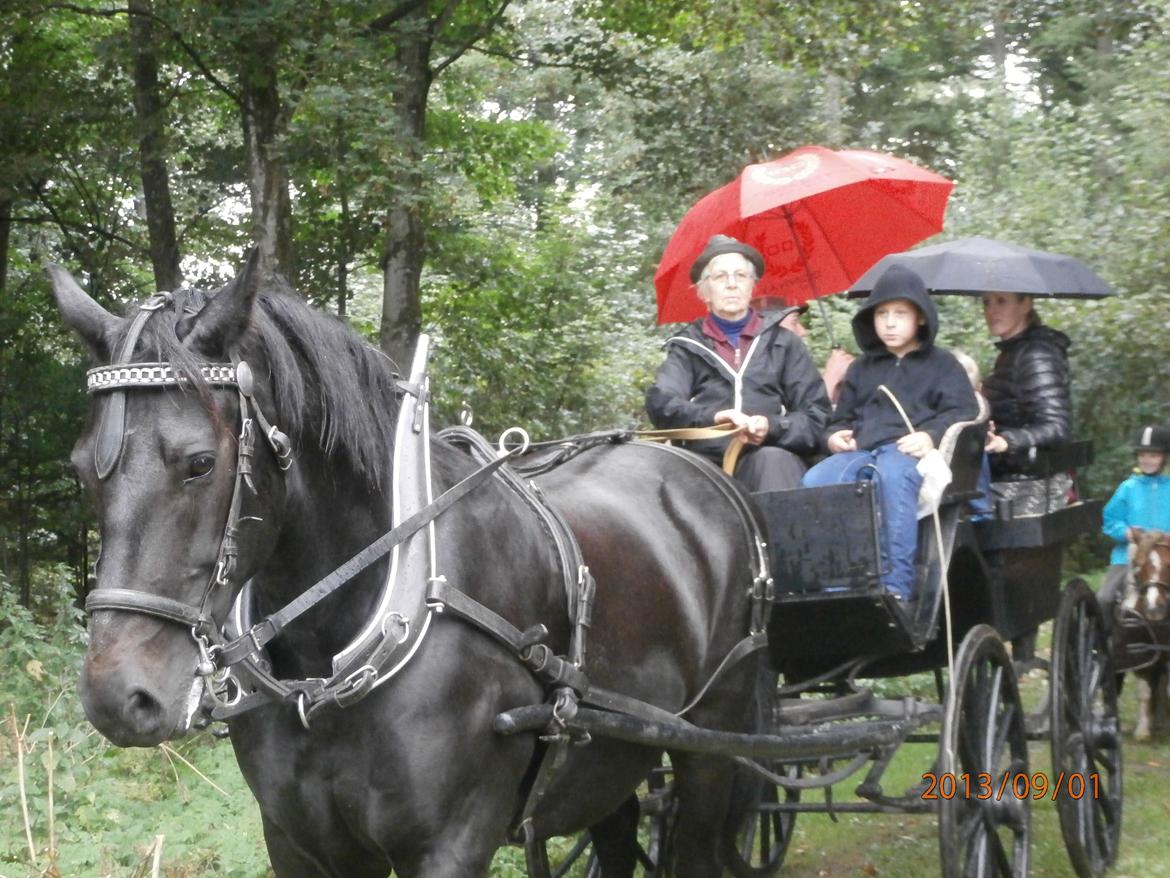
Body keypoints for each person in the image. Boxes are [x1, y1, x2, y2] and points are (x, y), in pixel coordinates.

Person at [801, 264, 978, 600]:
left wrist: (930, 436)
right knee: (816, 482)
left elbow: (964, 411)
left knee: (894, 478)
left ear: (921, 317)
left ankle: (894, 587)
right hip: (862, 452)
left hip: (907, 454)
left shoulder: (943, 366)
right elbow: (842, 417)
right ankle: (832, 583)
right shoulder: (862, 368)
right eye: (882, 313)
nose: (890, 322)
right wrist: (835, 436)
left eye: (900, 313)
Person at [645, 235, 831, 491]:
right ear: (704, 292)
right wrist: (713, 416)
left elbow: (817, 417)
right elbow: (661, 403)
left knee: (771, 460)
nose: (732, 284)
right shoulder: (687, 346)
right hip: (706, 464)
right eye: (720, 277)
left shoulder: (783, 343)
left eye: (741, 276)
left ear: (752, 286)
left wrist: (771, 427)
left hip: (770, 458)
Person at [981, 292, 1072, 477]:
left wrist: (1007, 440)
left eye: (1001, 301)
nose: (991, 310)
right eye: (986, 303)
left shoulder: (1036, 355)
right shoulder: (1014, 352)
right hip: (1008, 474)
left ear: (1026, 305)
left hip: (1028, 486)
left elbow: (1057, 427)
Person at [1098, 425, 1170, 614]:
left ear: (1164, 458)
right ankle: (1105, 641)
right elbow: (1109, 519)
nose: (1147, 460)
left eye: (1154, 456)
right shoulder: (1127, 488)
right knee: (1104, 598)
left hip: (1166, 557)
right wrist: (1125, 532)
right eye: (1143, 455)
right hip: (1127, 557)